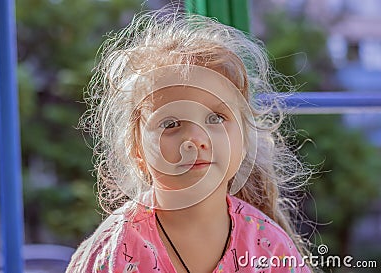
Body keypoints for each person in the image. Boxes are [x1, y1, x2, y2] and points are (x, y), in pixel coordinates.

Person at [66, 7, 313, 273]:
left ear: (242, 140)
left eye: (216, 118)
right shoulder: (113, 252)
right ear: (137, 149)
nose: (195, 139)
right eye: (171, 124)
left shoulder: (270, 248)